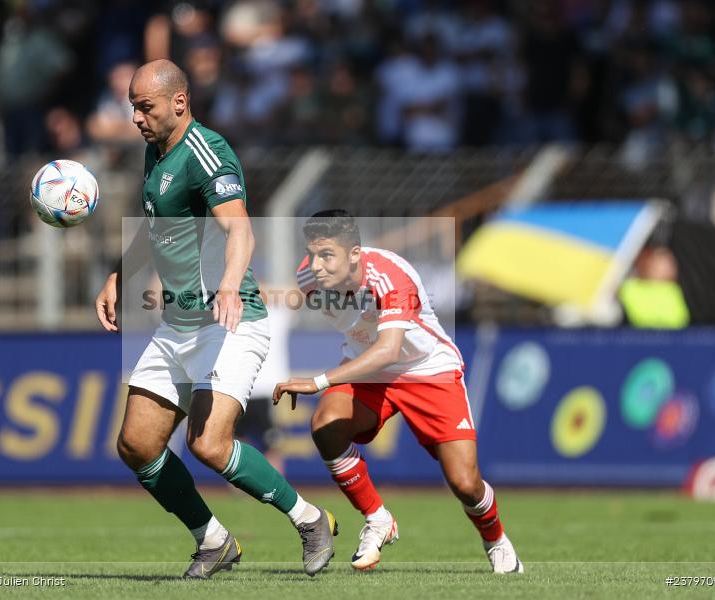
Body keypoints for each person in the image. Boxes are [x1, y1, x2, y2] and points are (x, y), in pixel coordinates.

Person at [94, 59, 337, 579]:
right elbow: (154, 228)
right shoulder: (154, 153)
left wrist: (229, 284)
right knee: (136, 444)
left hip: (230, 318)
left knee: (208, 444)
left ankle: (309, 519)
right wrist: (119, 274)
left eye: (145, 107)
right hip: (179, 324)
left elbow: (240, 230)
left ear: (178, 102)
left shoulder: (208, 152)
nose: (135, 117)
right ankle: (214, 540)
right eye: (133, 107)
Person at [273, 210, 523, 573]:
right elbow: (359, 335)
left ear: (354, 253)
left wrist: (319, 380)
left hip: (427, 370)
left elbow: (389, 349)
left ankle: (496, 540)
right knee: (326, 425)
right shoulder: (309, 279)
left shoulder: (391, 277)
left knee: (465, 482)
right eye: (312, 253)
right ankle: (377, 518)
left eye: (327, 255)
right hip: (370, 373)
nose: (317, 265)